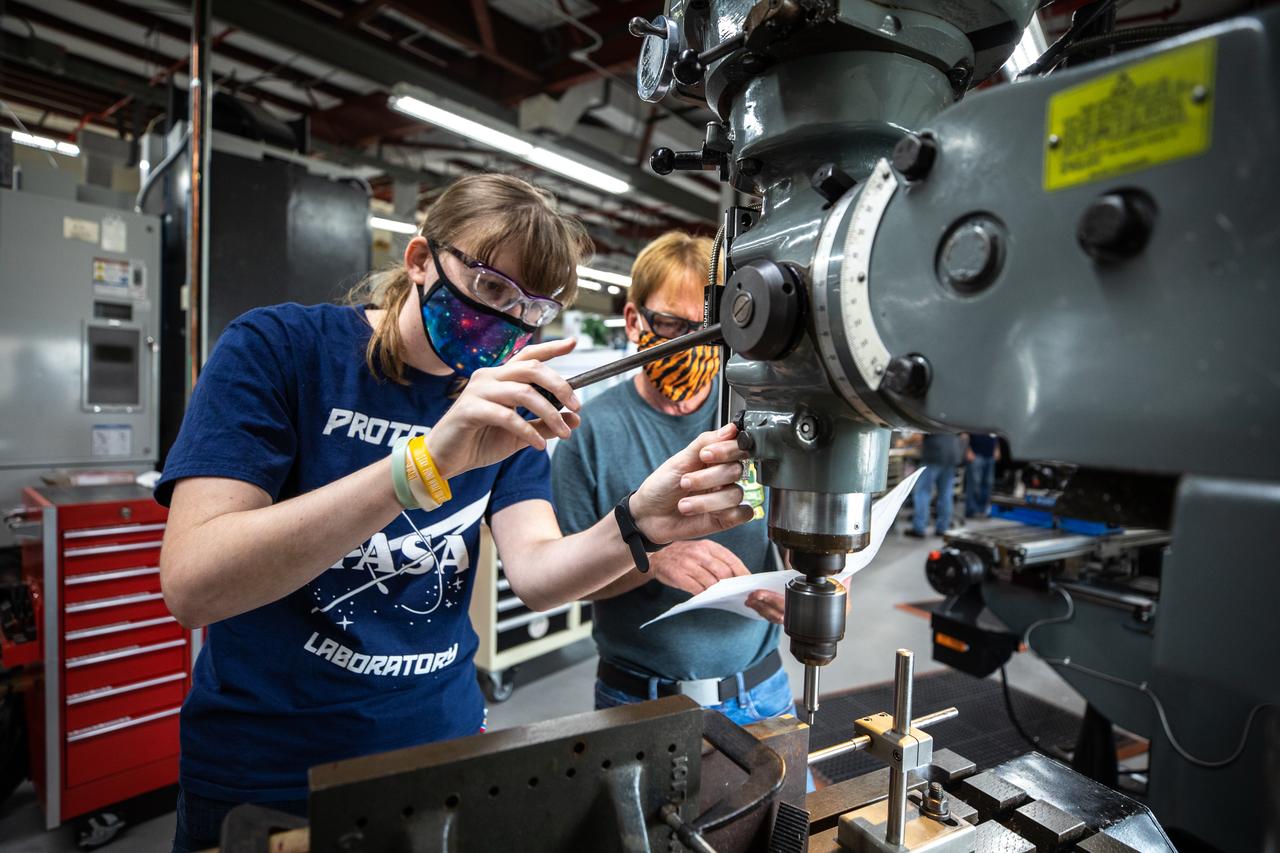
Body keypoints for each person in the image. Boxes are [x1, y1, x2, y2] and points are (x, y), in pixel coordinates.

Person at [155, 176, 753, 853]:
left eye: (533, 308)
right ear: (419, 260)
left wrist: (638, 523)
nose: (508, 322)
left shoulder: (505, 401)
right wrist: (421, 467)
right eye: (493, 288)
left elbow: (537, 572)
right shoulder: (280, 350)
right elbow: (193, 583)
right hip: (269, 769)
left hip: (442, 755)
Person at [551, 231, 800, 727]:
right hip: (639, 702)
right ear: (632, 320)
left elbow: (794, 520)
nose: (692, 345)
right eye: (669, 324)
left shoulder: (755, 416)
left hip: (761, 690)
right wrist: (651, 558)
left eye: (709, 328)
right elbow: (569, 583)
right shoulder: (587, 432)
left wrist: (819, 575)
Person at [907, 433, 967, 538]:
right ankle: (943, 528)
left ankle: (919, 528)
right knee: (946, 493)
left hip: (934, 453)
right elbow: (964, 436)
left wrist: (904, 442)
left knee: (923, 492)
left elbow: (918, 434)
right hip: (951, 454)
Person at [965, 433, 1000, 518]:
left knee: (988, 483)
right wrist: (968, 450)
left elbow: (996, 433)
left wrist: (997, 448)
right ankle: (972, 510)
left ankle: (982, 510)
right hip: (976, 453)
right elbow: (965, 432)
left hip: (990, 454)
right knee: (974, 483)